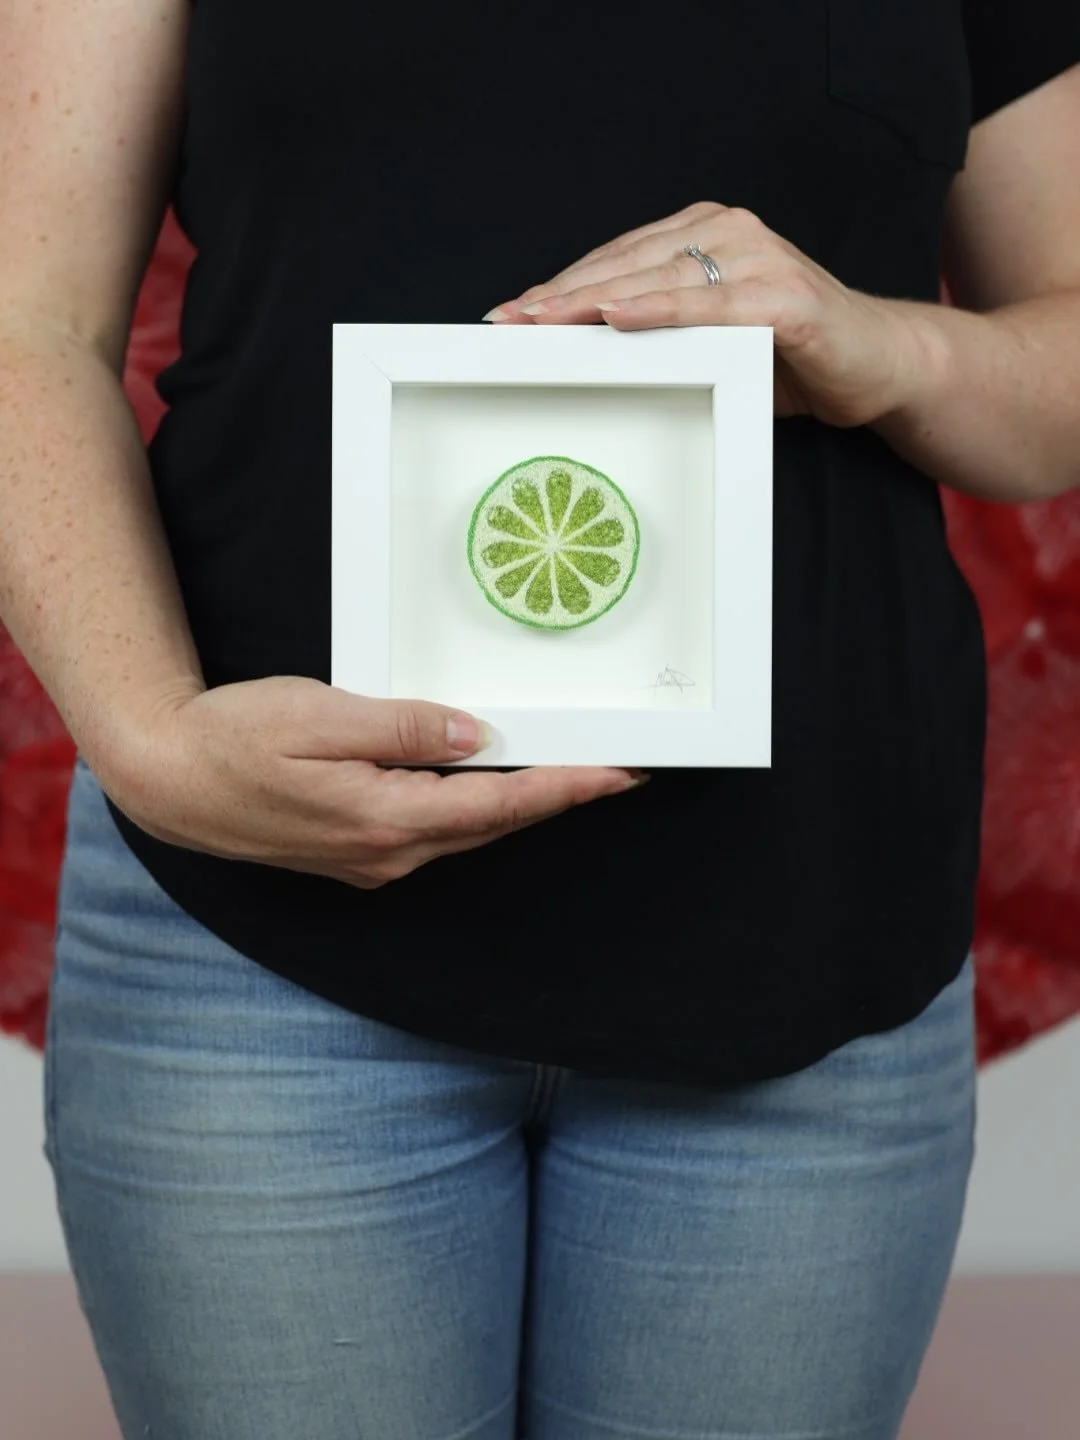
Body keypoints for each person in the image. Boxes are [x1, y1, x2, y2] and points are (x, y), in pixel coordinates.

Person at [1, 1, 1078, 1436]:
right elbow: (26, 323)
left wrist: (884, 345)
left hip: (808, 948)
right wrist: (149, 742)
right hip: (262, 939)